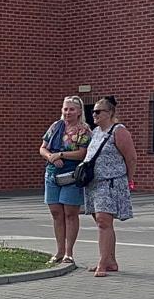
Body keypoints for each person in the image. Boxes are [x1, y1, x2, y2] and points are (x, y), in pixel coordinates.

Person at [83, 95, 137, 278]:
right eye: (93, 111)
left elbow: (131, 157)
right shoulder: (96, 131)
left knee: (104, 221)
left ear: (110, 112)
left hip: (111, 182)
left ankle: (103, 263)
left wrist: (129, 180)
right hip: (94, 183)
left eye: (98, 111)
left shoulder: (119, 131)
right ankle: (110, 260)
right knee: (102, 223)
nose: (94, 114)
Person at [39, 96, 90, 265]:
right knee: (56, 213)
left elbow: (82, 153)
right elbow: (43, 147)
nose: (68, 112)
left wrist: (61, 155)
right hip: (52, 173)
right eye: (65, 109)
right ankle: (59, 251)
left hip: (71, 175)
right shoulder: (56, 126)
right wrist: (51, 157)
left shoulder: (83, 130)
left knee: (70, 213)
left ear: (79, 112)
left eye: (71, 109)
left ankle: (69, 252)